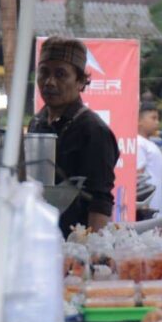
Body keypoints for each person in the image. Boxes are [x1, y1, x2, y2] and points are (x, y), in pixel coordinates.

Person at [29, 37, 120, 236]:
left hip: (74, 245)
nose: (49, 82)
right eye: (44, 72)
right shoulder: (37, 123)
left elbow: (100, 201)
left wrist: (92, 254)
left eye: (61, 74)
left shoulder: (93, 130)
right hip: (38, 237)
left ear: (80, 81)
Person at [137, 103, 162, 219]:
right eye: (153, 118)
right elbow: (138, 175)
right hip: (148, 205)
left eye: (158, 118)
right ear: (139, 121)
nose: (157, 122)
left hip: (157, 201)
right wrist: (143, 206)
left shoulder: (148, 143)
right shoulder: (138, 143)